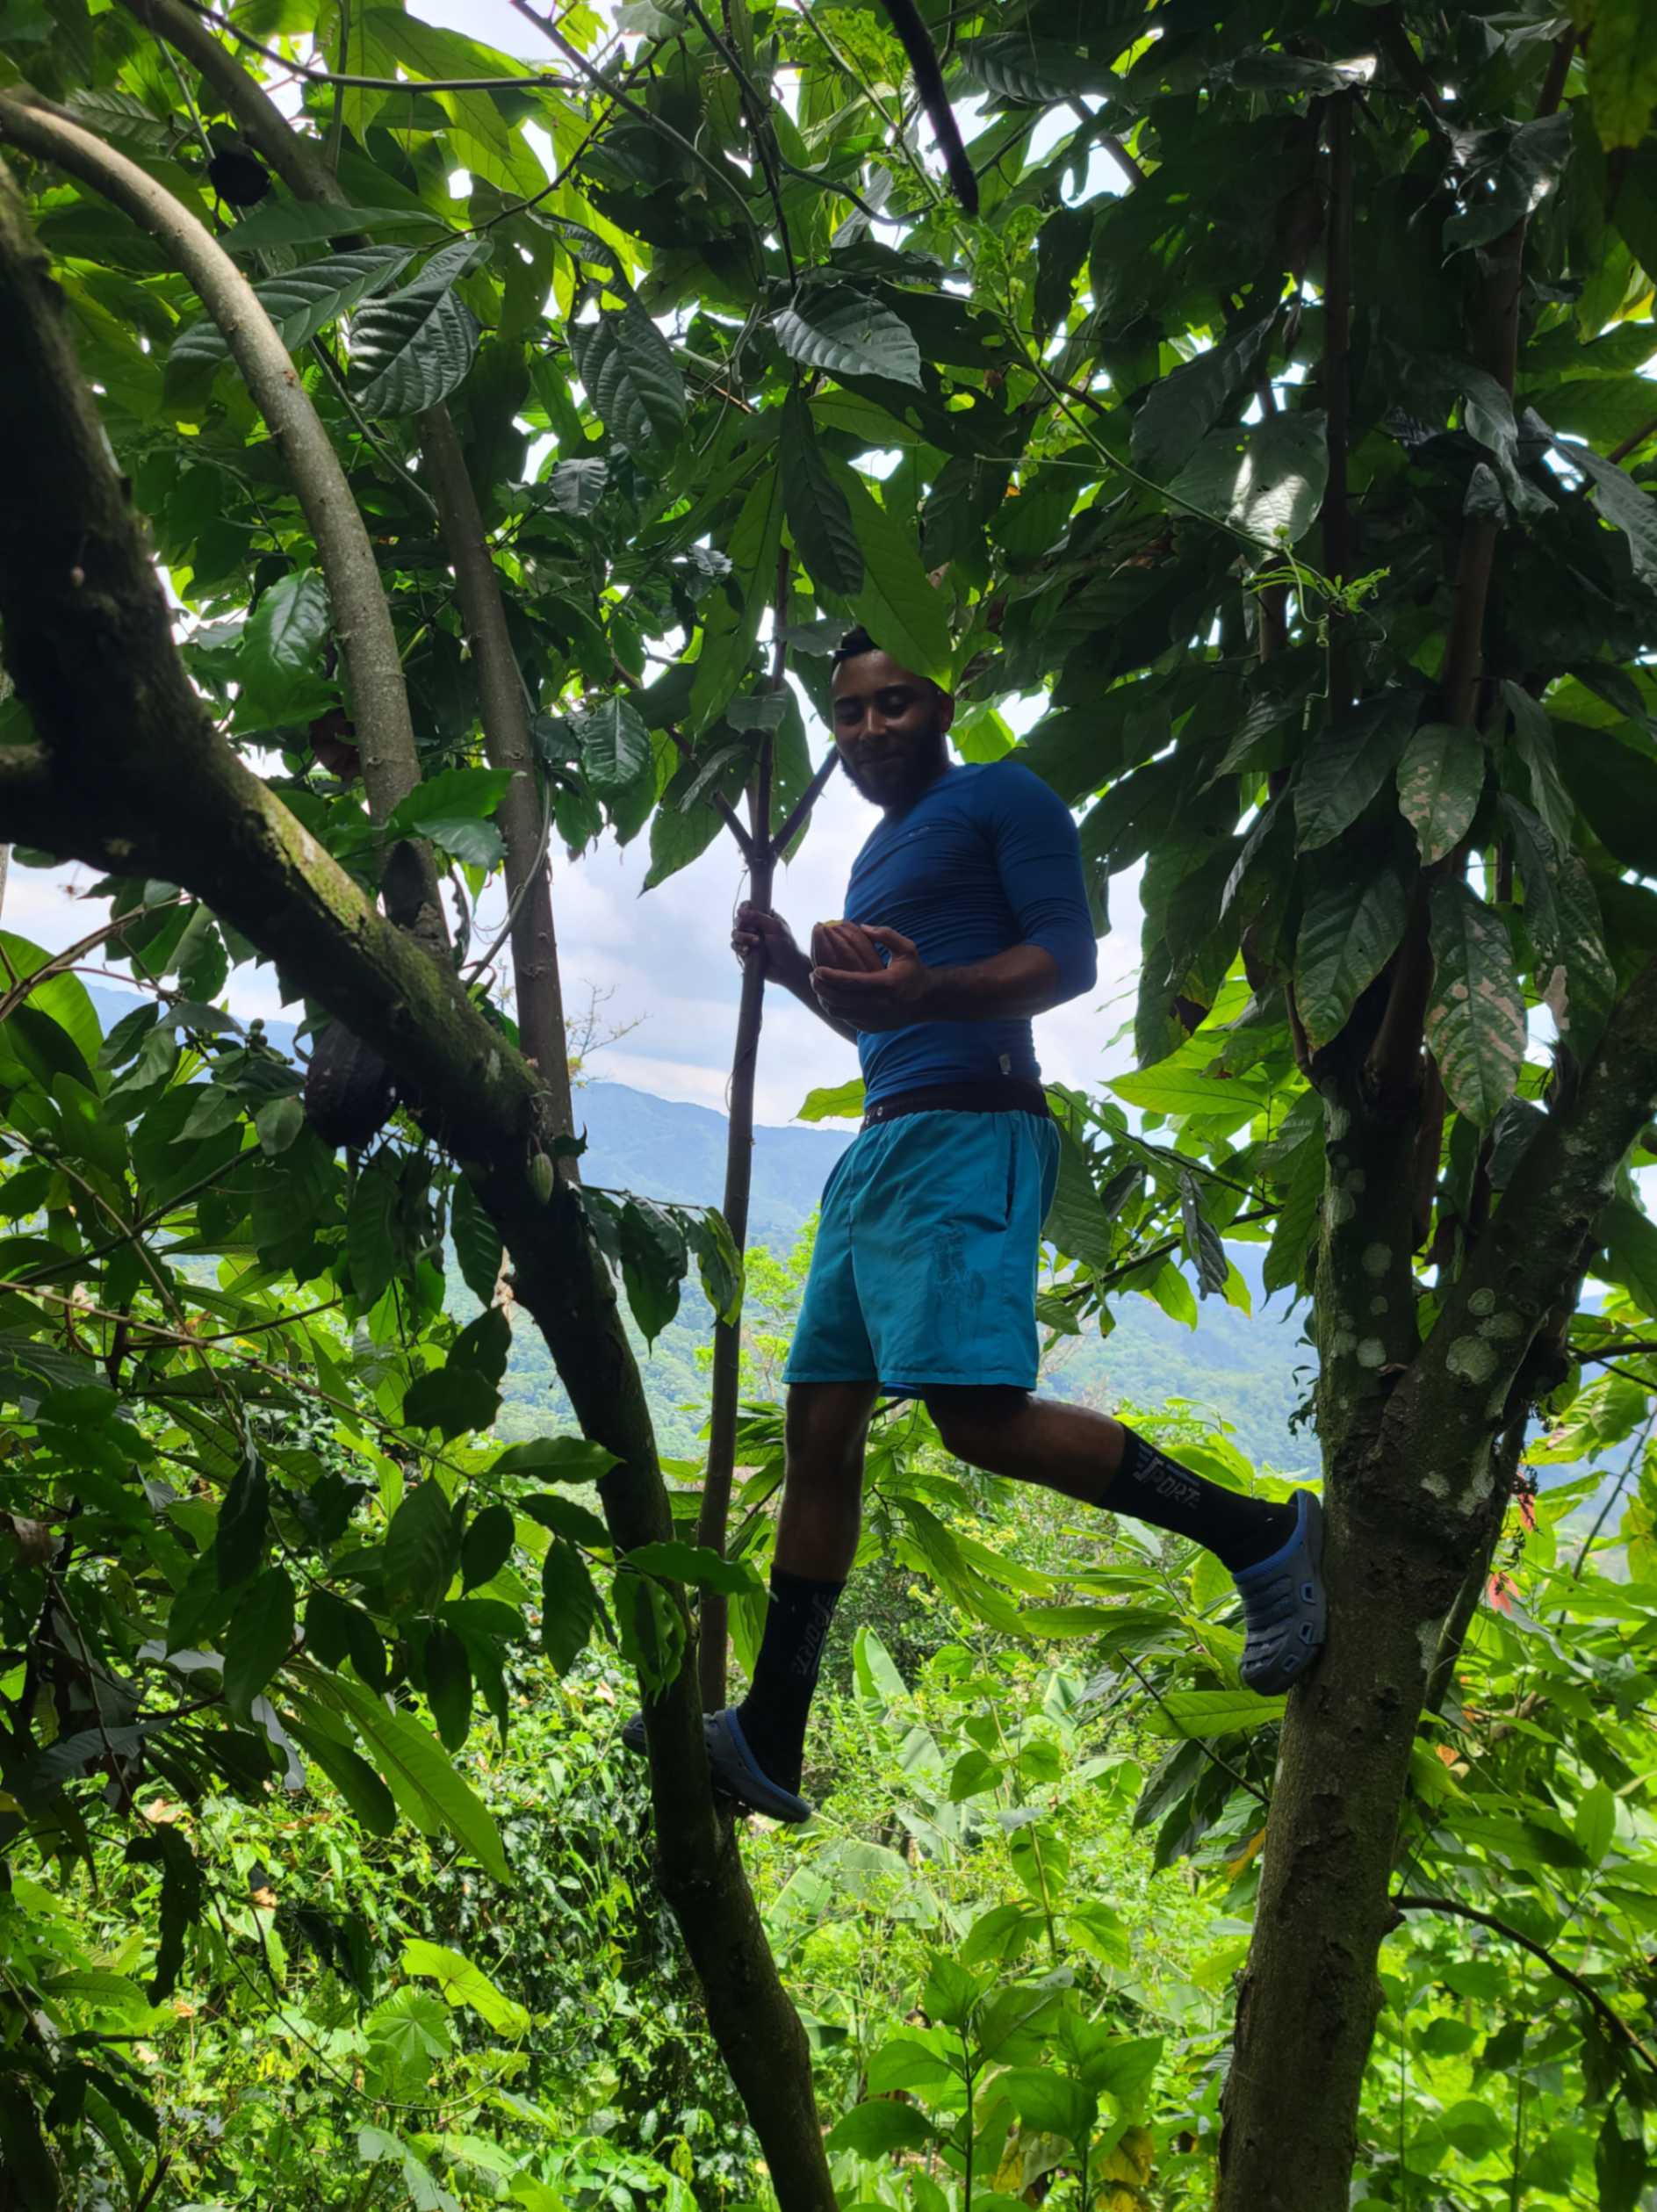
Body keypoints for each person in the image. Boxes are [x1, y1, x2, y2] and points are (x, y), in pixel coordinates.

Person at [627, 628, 1326, 1819]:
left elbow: (1066, 958)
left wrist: (927, 990)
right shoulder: (876, 856)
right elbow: (879, 1024)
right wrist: (797, 968)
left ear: (943, 702)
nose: (868, 732)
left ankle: (1263, 1538)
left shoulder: (1004, 797)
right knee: (820, 1434)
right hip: (886, 1141)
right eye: (848, 714)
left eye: (894, 705)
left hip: (973, 1129)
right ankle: (774, 1736)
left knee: (975, 1421)